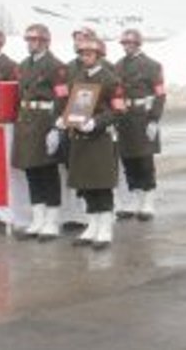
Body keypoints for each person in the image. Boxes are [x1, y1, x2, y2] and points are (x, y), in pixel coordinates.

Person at [62, 38, 125, 249]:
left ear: (98, 56)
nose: (85, 57)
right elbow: (70, 103)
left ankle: (105, 228)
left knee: (101, 185)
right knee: (87, 185)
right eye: (82, 54)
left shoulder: (110, 79)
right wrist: (65, 118)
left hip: (100, 138)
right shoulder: (77, 78)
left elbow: (118, 110)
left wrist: (96, 122)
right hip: (80, 138)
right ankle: (92, 225)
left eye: (89, 54)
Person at [11, 24, 68, 241]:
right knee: (31, 172)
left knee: (47, 173)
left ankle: (51, 221)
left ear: (45, 42)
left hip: (45, 121)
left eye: (35, 40)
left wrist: (56, 127)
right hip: (26, 122)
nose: (31, 44)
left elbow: (62, 99)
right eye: (29, 40)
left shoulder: (57, 67)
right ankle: (37, 218)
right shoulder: (23, 65)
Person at [114, 29, 166, 221]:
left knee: (145, 161)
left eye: (129, 43)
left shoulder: (152, 66)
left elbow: (160, 94)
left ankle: (148, 201)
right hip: (124, 119)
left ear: (137, 44)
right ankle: (135, 199)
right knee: (129, 161)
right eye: (124, 44)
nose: (126, 47)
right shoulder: (117, 66)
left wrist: (154, 119)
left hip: (143, 118)